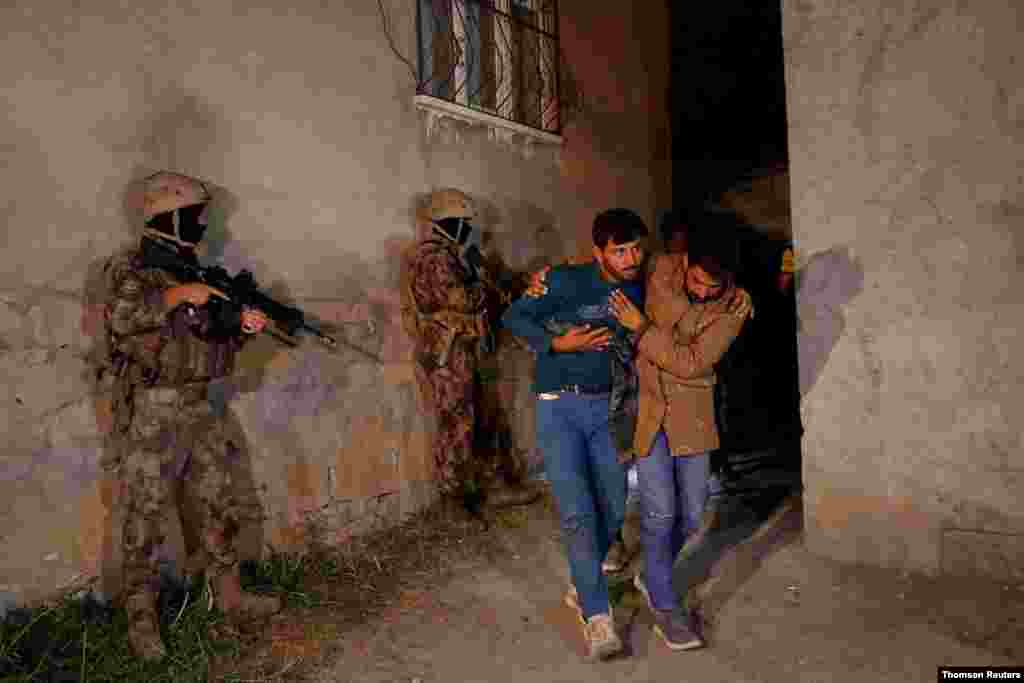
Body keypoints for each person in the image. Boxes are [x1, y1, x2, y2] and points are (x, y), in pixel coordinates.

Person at [101, 171, 281, 661]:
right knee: (146, 515)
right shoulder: (132, 265)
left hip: (200, 402)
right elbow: (121, 318)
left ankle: (228, 596)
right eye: (196, 215)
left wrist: (241, 327)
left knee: (217, 498)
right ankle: (141, 620)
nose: (202, 224)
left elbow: (205, 342)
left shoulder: (193, 269)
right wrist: (178, 296)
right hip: (153, 406)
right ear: (170, 215)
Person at [501, 208, 648, 661]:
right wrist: (556, 344)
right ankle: (598, 616)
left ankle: (583, 583)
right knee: (577, 512)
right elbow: (516, 317)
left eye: (637, 248)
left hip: (609, 410)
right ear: (598, 251)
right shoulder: (563, 281)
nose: (631, 258)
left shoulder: (640, 287)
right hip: (559, 407)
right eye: (620, 250)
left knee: (613, 505)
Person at [607, 223, 751, 651]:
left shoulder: (736, 307)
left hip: (694, 418)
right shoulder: (659, 269)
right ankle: (667, 607)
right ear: (685, 262)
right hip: (649, 413)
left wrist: (642, 329)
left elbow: (693, 362)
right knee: (659, 514)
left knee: (691, 514)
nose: (704, 292)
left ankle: (653, 574)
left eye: (714, 287)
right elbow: (609, 269)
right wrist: (547, 282)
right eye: (697, 281)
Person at [401, 188, 540, 515]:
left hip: (463, 348)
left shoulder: (451, 255)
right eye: (462, 222)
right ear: (445, 223)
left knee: (478, 420)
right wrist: (487, 283)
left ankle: (484, 489)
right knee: (457, 424)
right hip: (448, 354)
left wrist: (511, 281)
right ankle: (456, 500)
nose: (468, 228)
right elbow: (462, 299)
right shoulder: (433, 257)